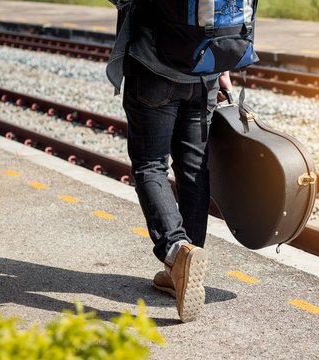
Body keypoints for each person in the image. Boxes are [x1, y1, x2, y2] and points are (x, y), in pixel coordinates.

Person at [106, 0, 233, 322]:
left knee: (150, 165)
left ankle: (178, 252)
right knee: (194, 170)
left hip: (153, 72)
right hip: (205, 72)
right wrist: (223, 69)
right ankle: (186, 267)